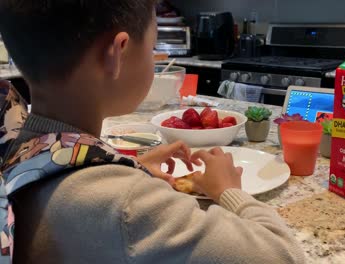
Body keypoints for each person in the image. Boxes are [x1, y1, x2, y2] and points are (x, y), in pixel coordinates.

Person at [0, 1, 306, 263]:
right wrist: (229, 190)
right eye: (153, 46)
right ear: (116, 54)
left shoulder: (16, 143)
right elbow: (282, 255)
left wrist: (131, 167)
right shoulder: (127, 204)